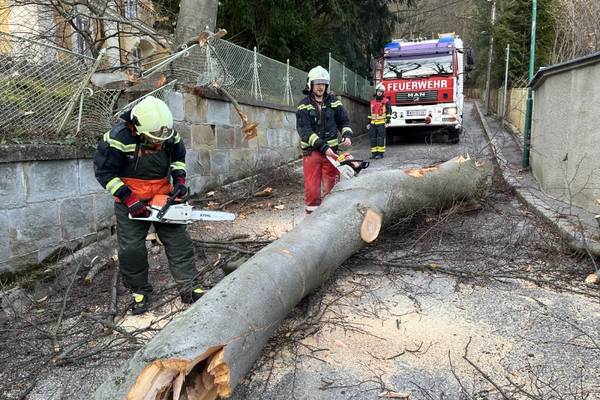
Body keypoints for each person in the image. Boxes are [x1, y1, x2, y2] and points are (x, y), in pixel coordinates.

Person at [94, 96, 204, 314]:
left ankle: (189, 287)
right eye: (153, 139)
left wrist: (179, 181)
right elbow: (105, 173)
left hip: (163, 195)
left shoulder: (168, 134)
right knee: (131, 249)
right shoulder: (116, 139)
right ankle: (139, 291)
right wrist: (129, 199)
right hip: (130, 198)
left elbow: (178, 159)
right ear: (137, 128)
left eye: (162, 140)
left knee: (179, 241)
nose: (159, 144)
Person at [296, 66, 353, 213]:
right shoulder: (303, 105)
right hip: (312, 153)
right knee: (312, 188)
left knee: (332, 188)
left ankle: (331, 215)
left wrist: (347, 135)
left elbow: (344, 121)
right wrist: (323, 147)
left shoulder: (335, 102)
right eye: (317, 83)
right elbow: (305, 131)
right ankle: (312, 217)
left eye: (323, 83)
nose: (320, 87)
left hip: (331, 153)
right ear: (310, 84)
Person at [367, 83, 391, 159]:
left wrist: (387, 121)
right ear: (376, 92)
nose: (379, 93)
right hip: (373, 123)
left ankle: (380, 154)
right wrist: (368, 123)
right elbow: (370, 113)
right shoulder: (372, 102)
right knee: (373, 138)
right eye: (378, 91)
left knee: (380, 139)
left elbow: (389, 112)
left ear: (383, 93)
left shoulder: (386, 101)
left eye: (381, 91)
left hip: (381, 123)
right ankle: (374, 154)